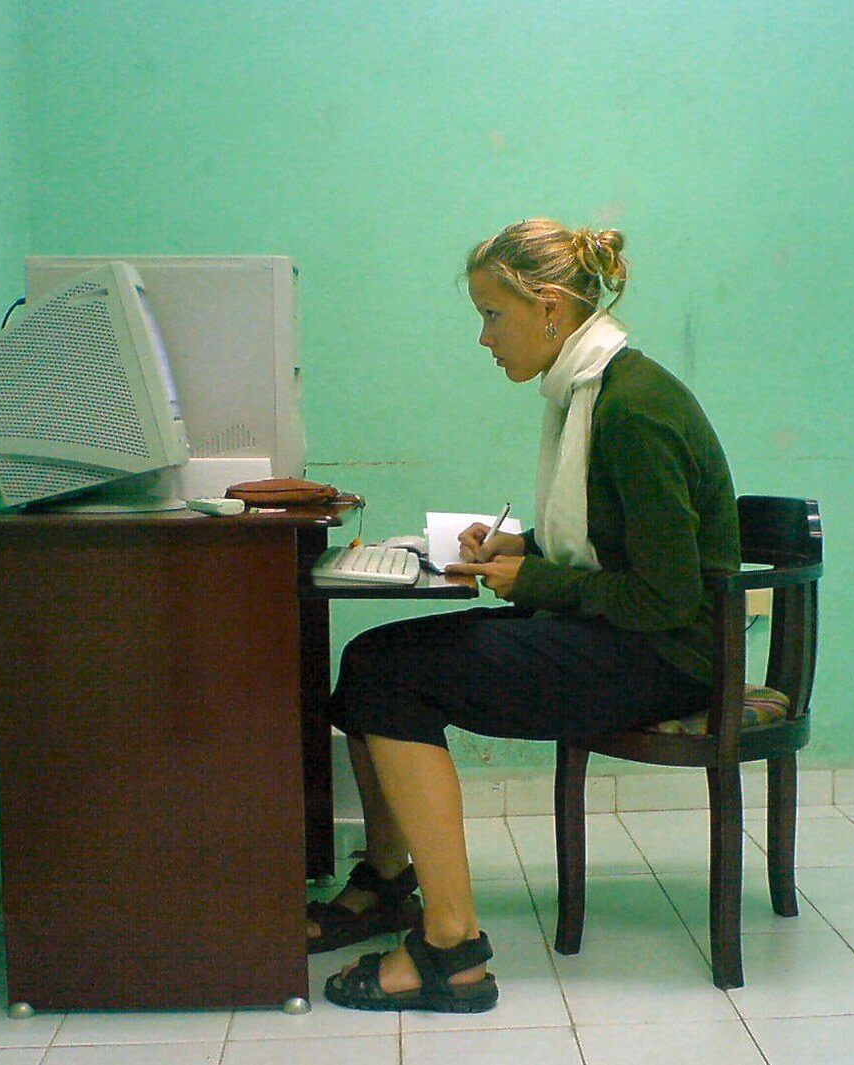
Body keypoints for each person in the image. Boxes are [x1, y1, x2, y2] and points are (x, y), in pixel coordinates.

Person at [312, 218, 740, 1014]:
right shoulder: (596, 388)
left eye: (490, 314)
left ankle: (452, 947)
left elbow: (669, 596)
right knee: (371, 660)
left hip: (665, 657)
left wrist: (532, 576)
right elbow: (605, 543)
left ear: (548, 307)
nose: (483, 338)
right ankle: (389, 877)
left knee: (396, 675)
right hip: (626, 636)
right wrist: (521, 546)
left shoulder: (631, 409)